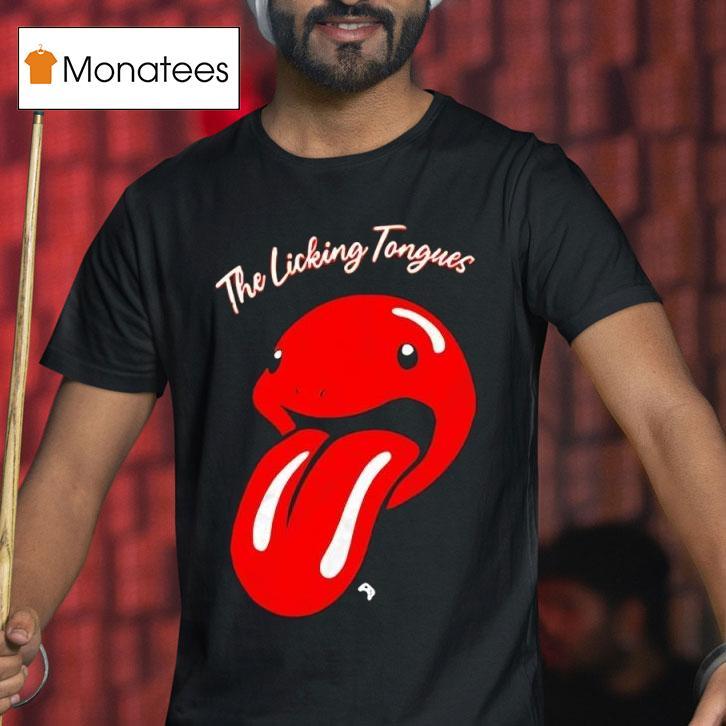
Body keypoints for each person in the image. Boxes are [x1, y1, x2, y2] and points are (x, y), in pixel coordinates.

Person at [2, 0, 725, 723]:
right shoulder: (164, 211)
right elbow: (70, 475)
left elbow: (664, 414)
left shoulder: (523, 187)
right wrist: (15, 623)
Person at [538, 522, 699, 725]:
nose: (550, 627)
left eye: (567, 607)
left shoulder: (702, 698)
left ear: (630, 619)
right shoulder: (545, 703)